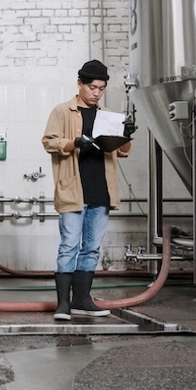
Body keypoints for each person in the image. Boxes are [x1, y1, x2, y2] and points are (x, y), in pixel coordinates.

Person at [41, 59, 135, 321]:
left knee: (91, 248)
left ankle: (82, 299)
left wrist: (126, 136)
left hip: (101, 191)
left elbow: (122, 153)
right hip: (73, 190)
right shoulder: (62, 111)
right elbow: (49, 142)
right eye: (92, 87)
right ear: (79, 83)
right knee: (69, 246)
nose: (96, 92)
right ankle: (63, 304)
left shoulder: (108, 116)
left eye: (101, 88)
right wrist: (74, 142)